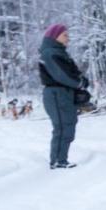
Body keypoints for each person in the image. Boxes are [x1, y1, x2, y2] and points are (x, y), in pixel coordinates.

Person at [39, 23, 88, 169]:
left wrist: (81, 82)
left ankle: (61, 159)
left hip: (63, 93)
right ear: (55, 36)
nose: (68, 38)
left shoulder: (58, 52)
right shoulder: (50, 53)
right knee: (62, 126)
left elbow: (72, 72)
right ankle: (58, 161)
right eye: (65, 35)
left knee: (68, 125)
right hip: (56, 93)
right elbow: (62, 75)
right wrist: (79, 83)